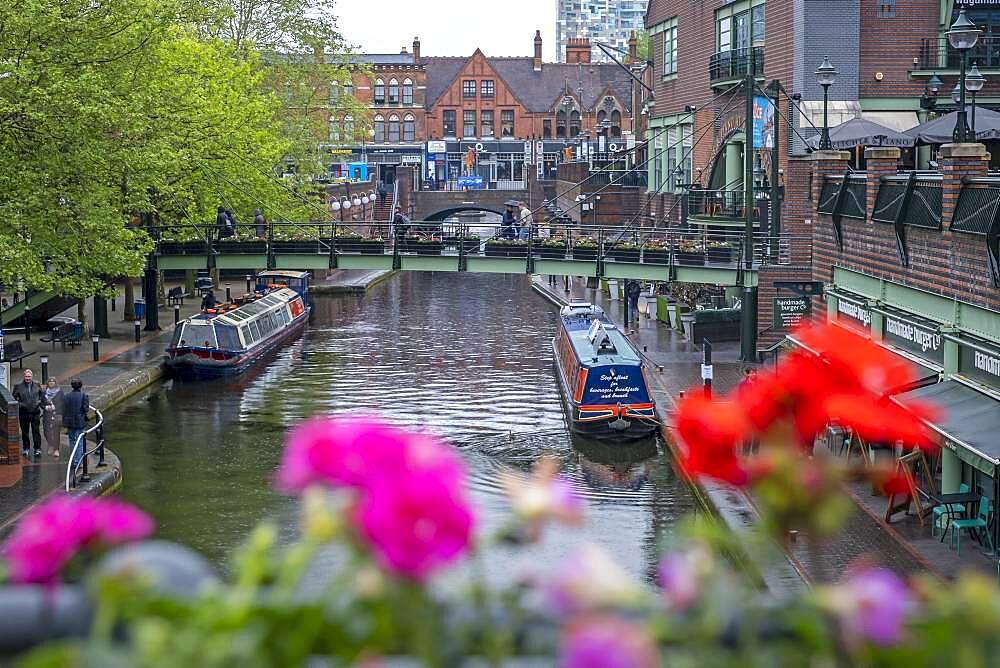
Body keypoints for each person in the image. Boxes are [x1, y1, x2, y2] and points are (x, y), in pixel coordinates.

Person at [12, 369, 47, 459]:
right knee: (25, 432)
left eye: (29, 376)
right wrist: (21, 404)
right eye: (26, 376)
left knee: (36, 431)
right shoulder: (18, 386)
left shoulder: (37, 385)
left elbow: (42, 396)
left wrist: (40, 403)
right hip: (24, 413)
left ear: (32, 377)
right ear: (24, 377)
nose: (28, 378)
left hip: (35, 412)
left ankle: (37, 449)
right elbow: (13, 399)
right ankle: (26, 448)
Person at [63, 378, 89, 471]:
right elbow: (86, 409)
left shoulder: (66, 396)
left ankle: (74, 459)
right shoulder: (83, 396)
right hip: (79, 422)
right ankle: (78, 461)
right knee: (80, 441)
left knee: (72, 440)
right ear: (81, 386)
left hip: (70, 422)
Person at [43, 378, 65, 458]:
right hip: (47, 415)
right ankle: (50, 445)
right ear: (47, 383)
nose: (51, 383)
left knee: (56, 432)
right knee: (46, 431)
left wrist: (55, 407)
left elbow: (63, 403)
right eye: (50, 381)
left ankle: (56, 449)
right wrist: (45, 407)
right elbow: (41, 402)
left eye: (53, 381)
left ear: (55, 383)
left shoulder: (60, 392)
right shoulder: (44, 392)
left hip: (56, 414)